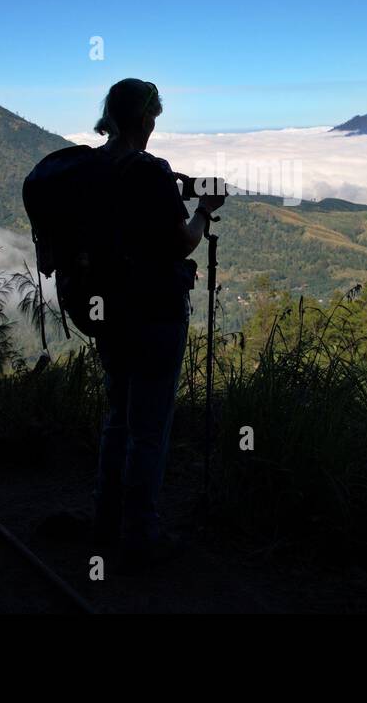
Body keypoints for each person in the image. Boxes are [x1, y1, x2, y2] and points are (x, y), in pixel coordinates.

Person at [89, 79, 225, 572]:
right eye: (152, 119)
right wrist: (204, 210)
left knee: (118, 418)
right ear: (142, 118)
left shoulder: (94, 165)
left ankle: (104, 522)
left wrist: (179, 184)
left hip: (108, 314)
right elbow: (181, 242)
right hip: (154, 313)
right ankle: (141, 534)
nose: (152, 127)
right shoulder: (147, 170)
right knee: (150, 429)